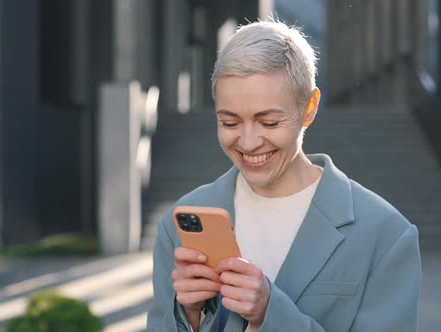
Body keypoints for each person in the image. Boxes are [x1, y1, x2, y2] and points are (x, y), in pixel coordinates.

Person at [147, 20, 421, 332]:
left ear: (309, 107)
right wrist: (189, 315)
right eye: (230, 122)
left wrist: (270, 315)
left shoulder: (386, 235)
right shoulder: (178, 224)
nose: (248, 143)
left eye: (269, 122)